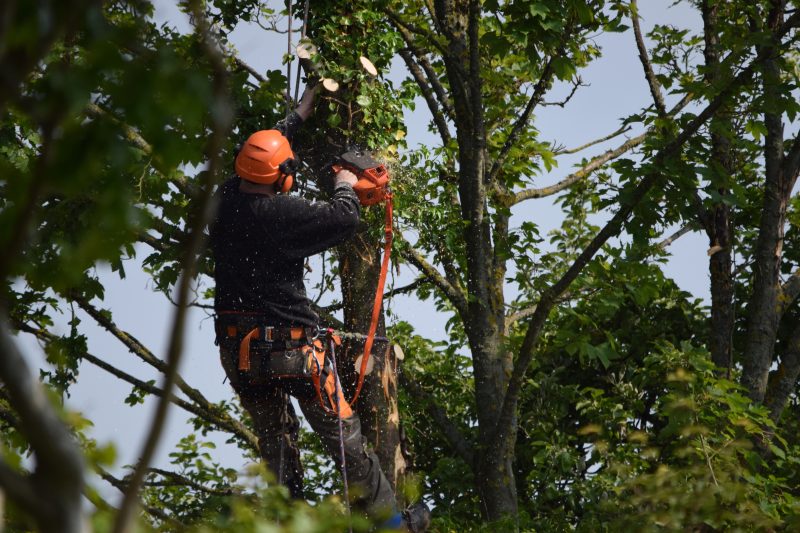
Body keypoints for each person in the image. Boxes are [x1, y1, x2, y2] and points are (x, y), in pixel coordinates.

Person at [210, 88, 430, 532]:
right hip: (291, 353)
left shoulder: (224, 200)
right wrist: (346, 185)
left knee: (277, 445)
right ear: (282, 177)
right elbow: (343, 220)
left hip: (240, 355)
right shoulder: (281, 214)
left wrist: (299, 114)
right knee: (344, 440)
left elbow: (262, 154)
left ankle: (289, 522)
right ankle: (392, 525)